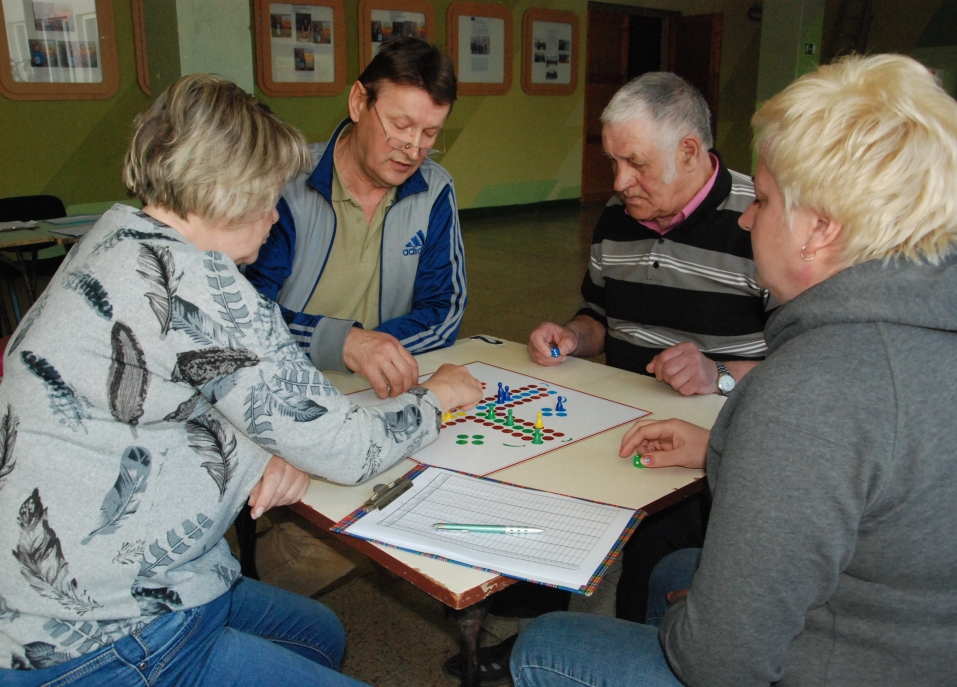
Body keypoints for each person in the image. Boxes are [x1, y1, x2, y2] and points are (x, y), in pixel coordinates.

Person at [0, 74, 481, 687]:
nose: (276, 216)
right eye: (268, 197)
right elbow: (349, 446)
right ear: (226, 192)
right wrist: (435, 397)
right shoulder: (204, 288)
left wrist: (264, 443)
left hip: (3, 608)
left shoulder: (116, 235)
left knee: (319, 634)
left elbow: (166, 392)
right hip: (94, 639)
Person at [510, 53, 957, 686]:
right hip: (907, 637)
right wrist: (726, 445)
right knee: (673, 574)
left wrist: (699, 627)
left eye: (767, 201)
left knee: (547, 645)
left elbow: (720, 663)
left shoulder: (812, 388)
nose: (749, 217)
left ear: (821, 230)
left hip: (839, 662)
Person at [529, 72, 772, 625]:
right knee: (541, 482)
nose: (619, 181)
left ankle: (630, 643)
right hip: (620, 416)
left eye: (635, 163)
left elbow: (801, 365)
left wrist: (720, 374)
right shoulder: (617, 220)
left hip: (707, 439)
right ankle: (538, 620)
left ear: (689, 151)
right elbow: (599, 317)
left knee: (657, 543)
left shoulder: (760, 220)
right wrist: (571, 335)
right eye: (612, 161)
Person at [245, 37, 466, 402]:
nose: (413, 150)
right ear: (359, 102)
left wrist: (377, 351)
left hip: (376, 390)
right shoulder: (285, 185)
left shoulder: (435, 190)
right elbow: (245, 314)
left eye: (429, 134)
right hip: (281, 386)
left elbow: (444, 309)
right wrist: (344, 343)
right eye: (400, 126)